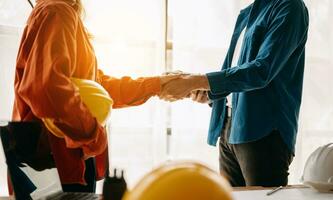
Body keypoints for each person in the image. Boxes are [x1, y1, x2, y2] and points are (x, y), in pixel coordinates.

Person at [13, 0, 178, 193]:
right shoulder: (57, 12)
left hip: (61, 161)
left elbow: (98, 86)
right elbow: (48, 88)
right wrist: (93, 135)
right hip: (59, 162)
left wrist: (157, 85)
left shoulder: (58, 13)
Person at [160, 0, 309, 187]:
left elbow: (261, 71)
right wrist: (207, 92)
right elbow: (237, 72)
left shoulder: (289, 6)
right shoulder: (247, 13)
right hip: (229, 127)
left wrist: (196, 80)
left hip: (263, 131)